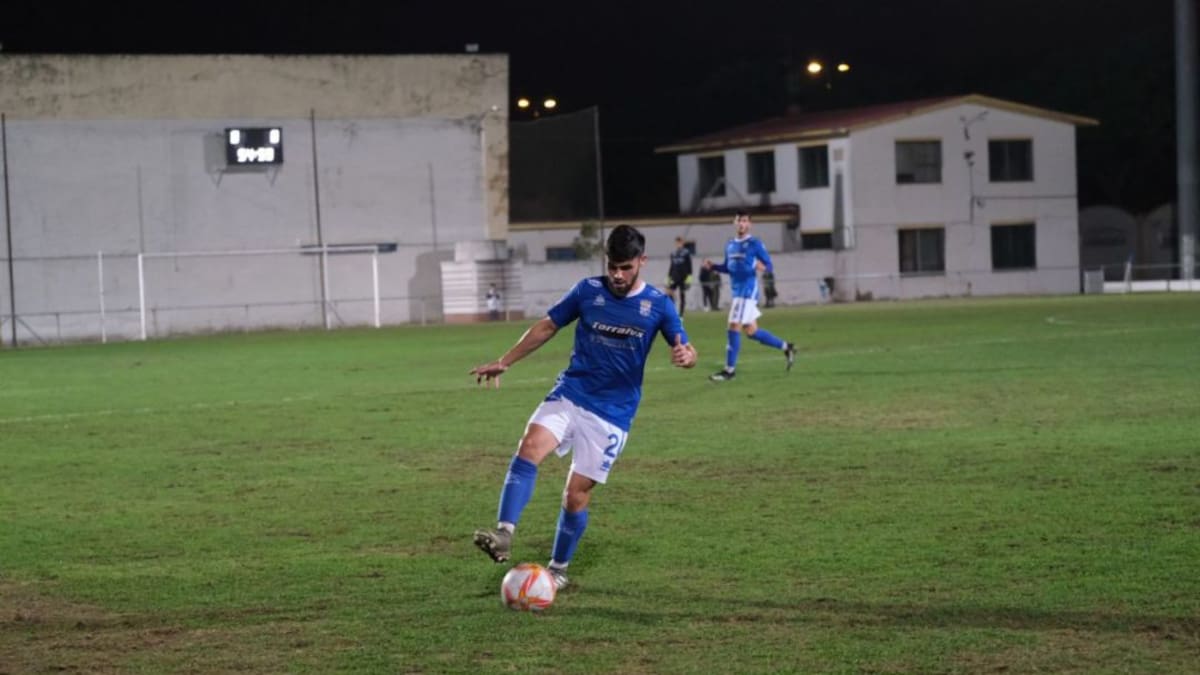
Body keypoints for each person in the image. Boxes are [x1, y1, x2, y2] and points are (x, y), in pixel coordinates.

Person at [469, 224, 698, 591]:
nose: (618, 275)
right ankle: (504, 533)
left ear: (642, 261)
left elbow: (686, 347)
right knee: (528, 447)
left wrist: (686, 355)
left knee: (575, 494)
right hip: (572, 392)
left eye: (625, 267)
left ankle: (558, 569)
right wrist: (505, 360)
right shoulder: (587, 291)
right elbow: (547, 326)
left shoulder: (658, 305)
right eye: (612, 266)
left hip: (612, 414)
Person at [702, 210, 796, 381]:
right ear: (734, 222)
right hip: (737, 292)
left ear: (749, 224)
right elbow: (728, 267)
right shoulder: (730, 244)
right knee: (752, 331)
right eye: (739, 220)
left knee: (733, 326)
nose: (741, 223)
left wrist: (763, 267)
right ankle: (786, 347)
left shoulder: (755, 244)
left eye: (744, 221)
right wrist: (713, 267)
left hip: (747, 292)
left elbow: (769, 265)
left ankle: (729, 371)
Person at [666, 236, 693, 316]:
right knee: (669, 293)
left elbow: (689, 267)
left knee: (682, 295)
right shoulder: (673, 254)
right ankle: (672, 311)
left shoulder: (686, 253)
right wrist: (668, 277)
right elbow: (671, 266)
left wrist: (689, 279)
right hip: (674, 276)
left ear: (683, 243)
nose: (678, 244)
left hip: (683, 278)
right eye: (677, 243)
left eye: (680, 242)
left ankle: (681, 314)